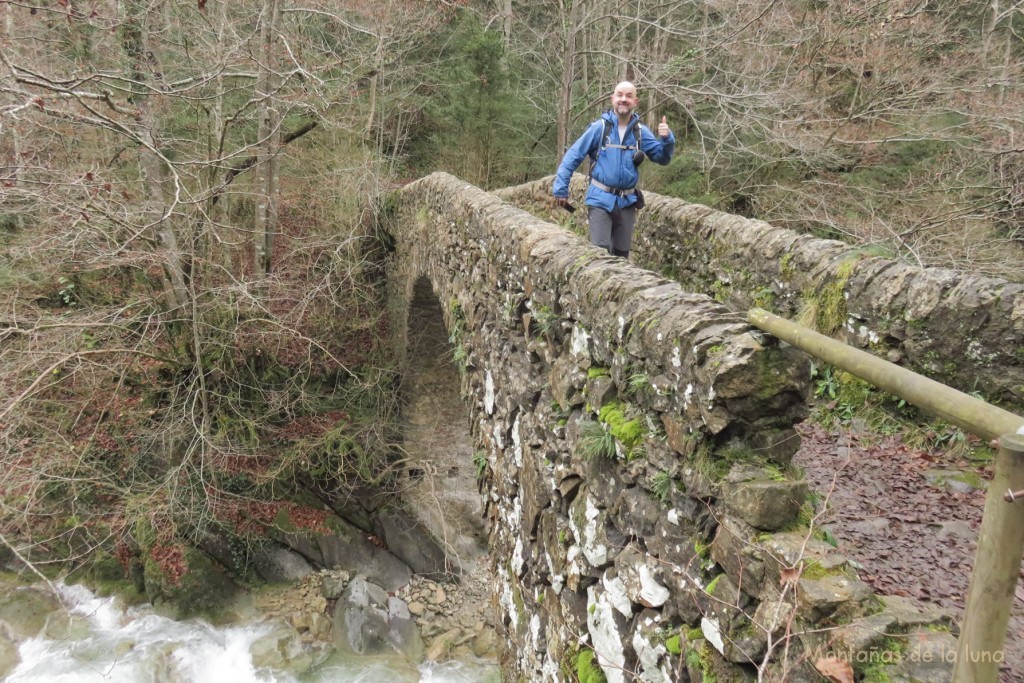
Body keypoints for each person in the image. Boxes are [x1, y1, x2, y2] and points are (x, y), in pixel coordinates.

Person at [553, 81, 675, 259]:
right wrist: (561, 189)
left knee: (621, 255)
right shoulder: (600, 128)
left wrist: (667, 139)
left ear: (635, 102)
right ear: (612, 99)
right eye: (620, 95)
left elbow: (662, 158)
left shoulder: (640, 132)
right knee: (600, 254)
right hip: (600, 199)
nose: (623, 99)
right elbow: (573, 156)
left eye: (628, 96)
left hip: (627, 202)